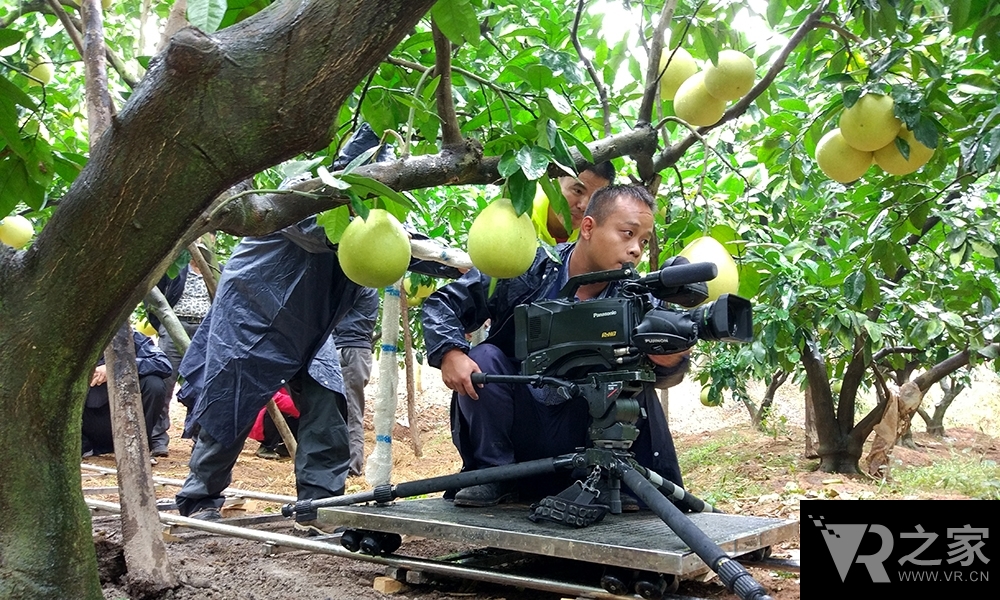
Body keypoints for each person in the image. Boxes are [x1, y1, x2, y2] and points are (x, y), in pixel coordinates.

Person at [173, 125, 387, 532]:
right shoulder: (303, 191)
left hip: (308, 329)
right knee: (230, 406)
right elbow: (320, 235)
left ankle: (319, 502)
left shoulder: (371, 219)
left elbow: (392, 250)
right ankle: (200, 497)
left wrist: (448, 259)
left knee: (326, 400)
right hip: (250, 317)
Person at [422, 184, 690, 508]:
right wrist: (450, 353)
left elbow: (663, 374)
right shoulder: (526, 268)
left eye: (643, 241)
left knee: (631, 375)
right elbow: (443, 306)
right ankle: (493, 474)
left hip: (592, 434)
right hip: (521, 421)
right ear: (588, 228)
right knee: (485, 358)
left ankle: (617, 483)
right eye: (627, 233)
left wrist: (670, 361)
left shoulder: (639, 298)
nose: (636, 249)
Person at [148, 258, 212, 457]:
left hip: (206, 332)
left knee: (203, 385)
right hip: (175, 326)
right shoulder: (175, 269)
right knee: (164, 382)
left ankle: (198, 440)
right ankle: (158, 439)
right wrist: (162, 326)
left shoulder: (218, 270)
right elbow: (153, 295)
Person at [81, 331, 172, 457]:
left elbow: (163, 364)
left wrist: (117, 367)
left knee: (154, 383)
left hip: (125, 420)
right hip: (86, 421)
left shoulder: (129, 335)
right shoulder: (68, 337)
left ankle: (138, 446)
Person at [332, 287, 379, 476]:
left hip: (351, 350)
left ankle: (352, 467)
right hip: (348, 349)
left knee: (351, 411)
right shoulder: (361, 281)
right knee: (344, 410)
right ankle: (342, 462)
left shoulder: (361, 282)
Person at [530, 162, 615, 245]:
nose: (584, 206)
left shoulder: (593, 235)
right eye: (578, 191)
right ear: (554, 183)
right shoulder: (524, 211)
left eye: (594, 198)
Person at [248, 387, 299, 459]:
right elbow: (273, 398)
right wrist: (301, 405)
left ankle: (286, 447)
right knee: (277, 410)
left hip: (291, 414)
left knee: (305, 417)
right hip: (261, 421)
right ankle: (267, 447)